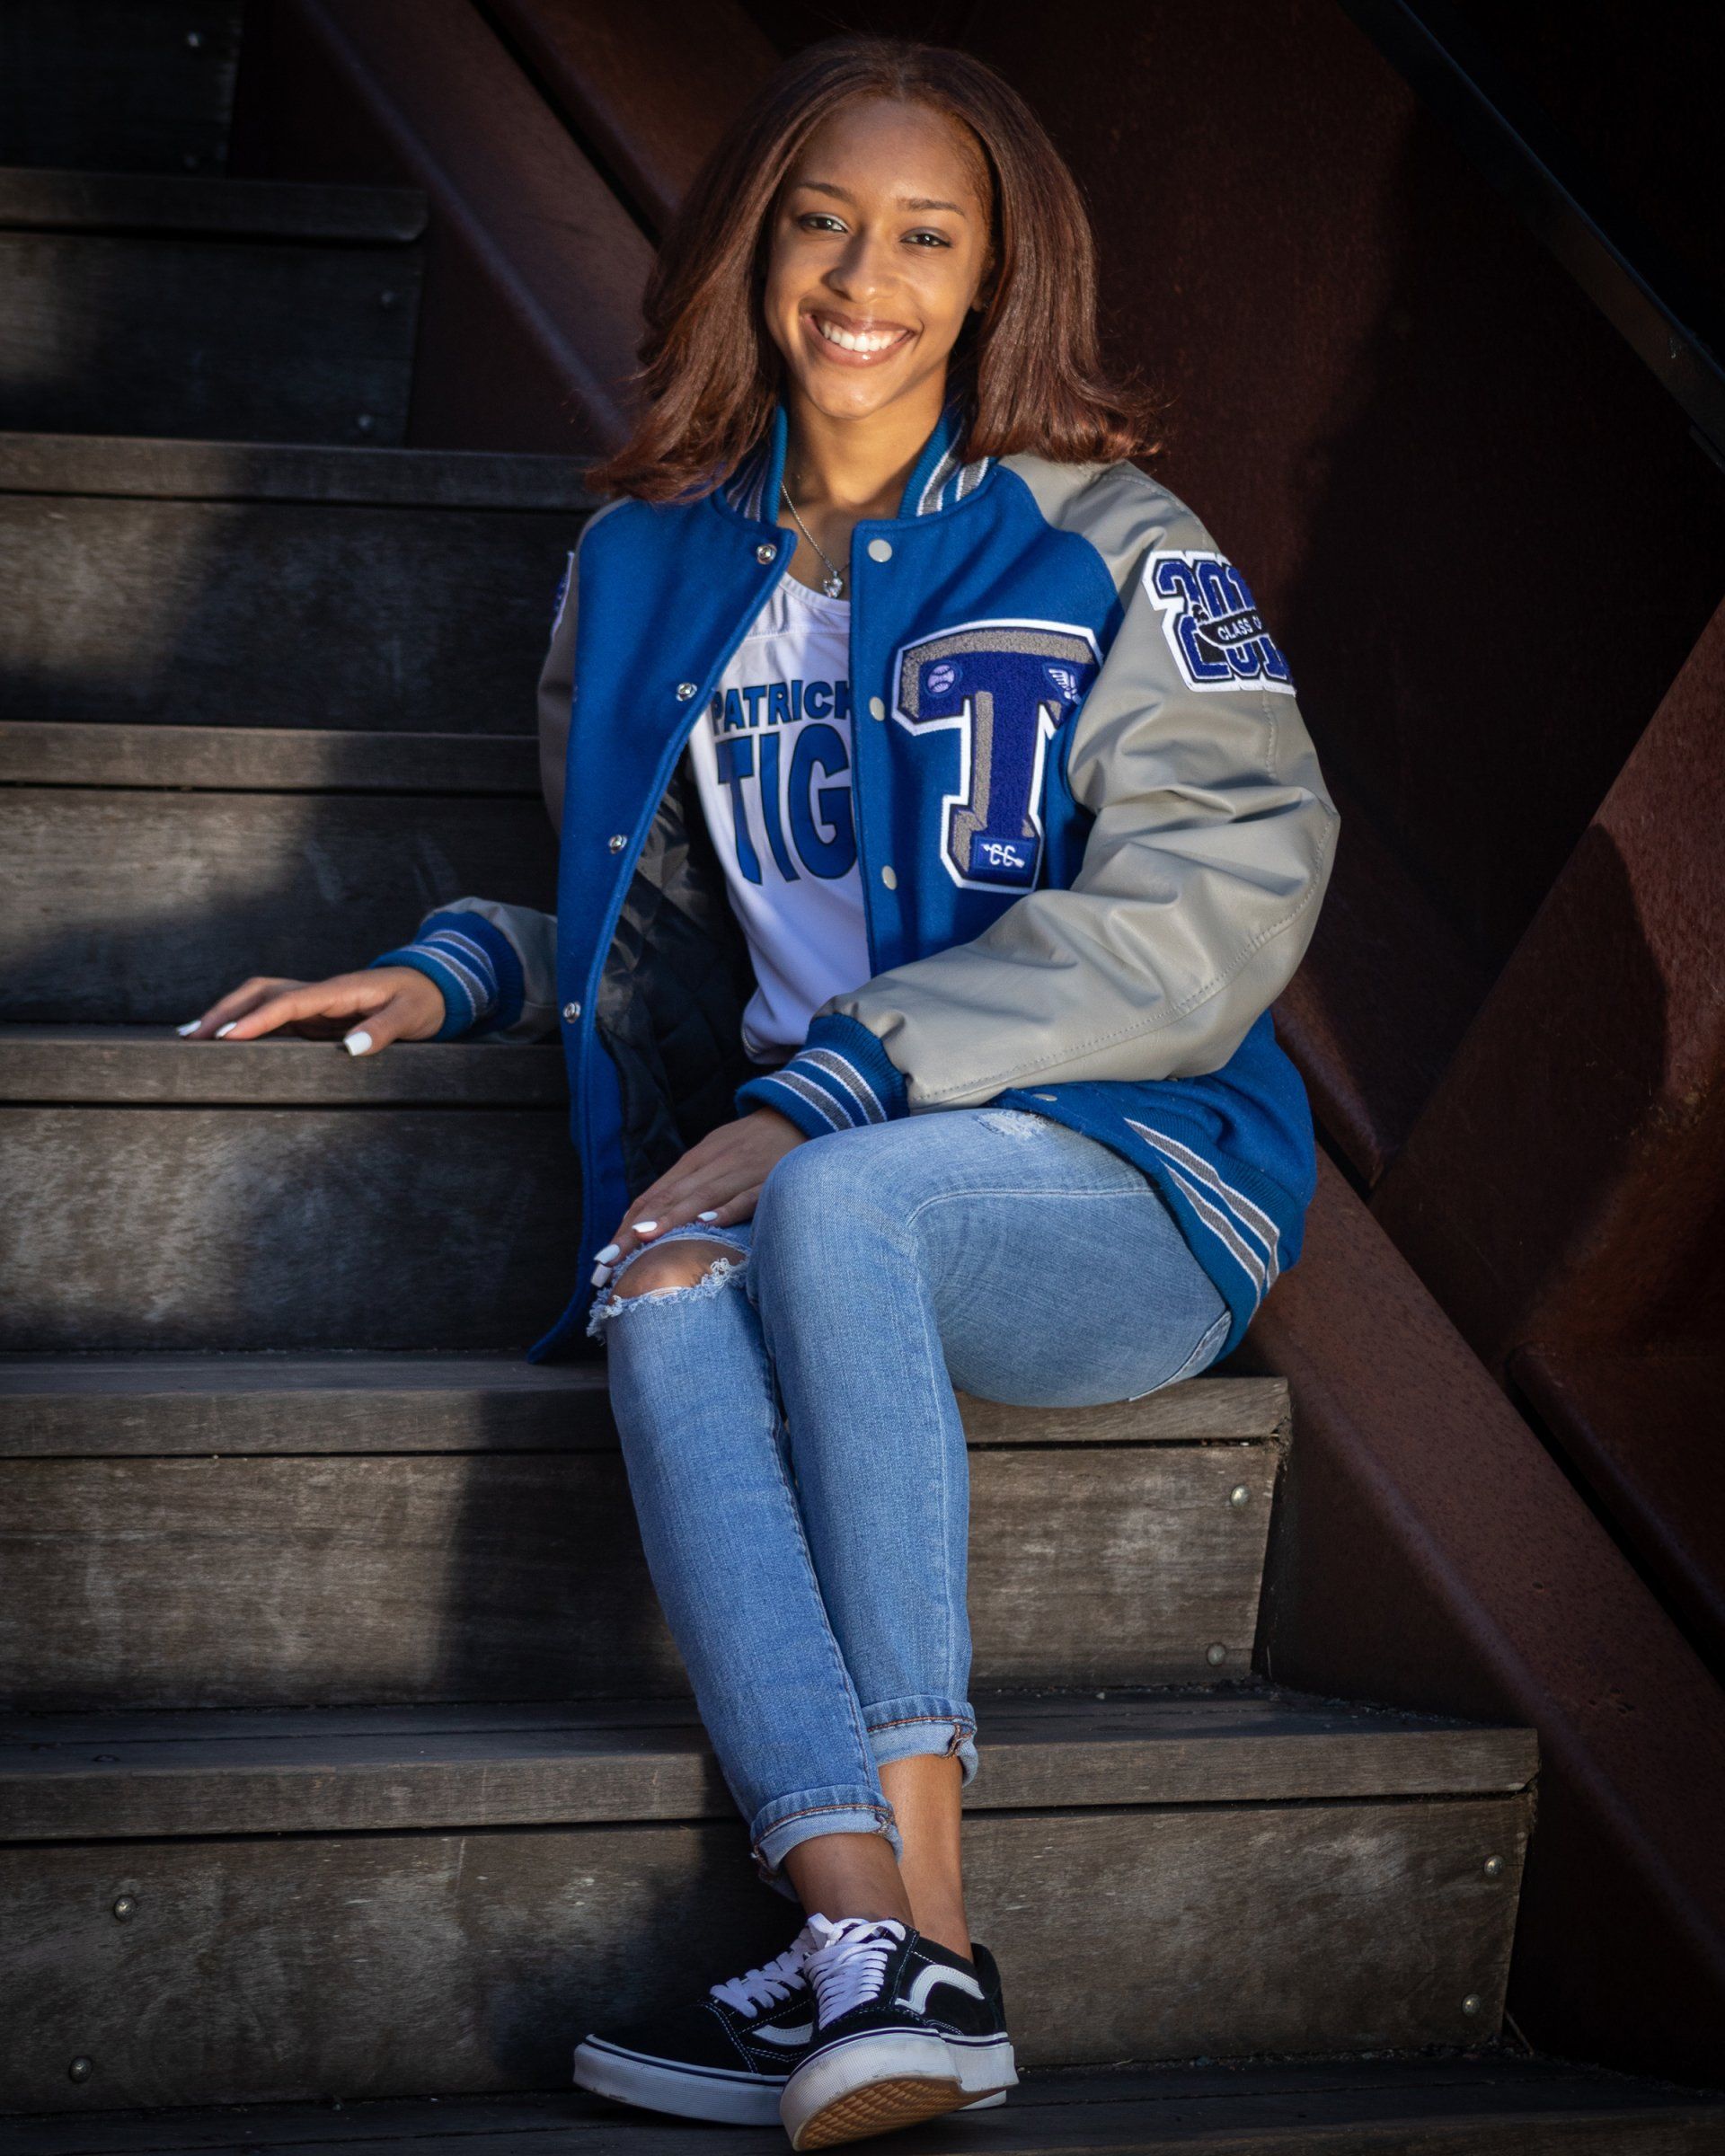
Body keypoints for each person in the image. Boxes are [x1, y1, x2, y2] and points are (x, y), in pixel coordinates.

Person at [182, 34, 1339, 2152]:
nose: (861, 275)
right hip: (825, 1169)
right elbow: (662, 936)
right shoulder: (638, 568)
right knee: (668, 1271)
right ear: (752, 246)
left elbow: (1228, 901)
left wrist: (839, 1092)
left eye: (925, 234)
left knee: (827, 1199)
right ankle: (863, 1940)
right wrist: (452, 969)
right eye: (821, 220)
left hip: (1121, 1187)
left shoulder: (1112, 543)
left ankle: (930, 1918)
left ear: (996, 278)